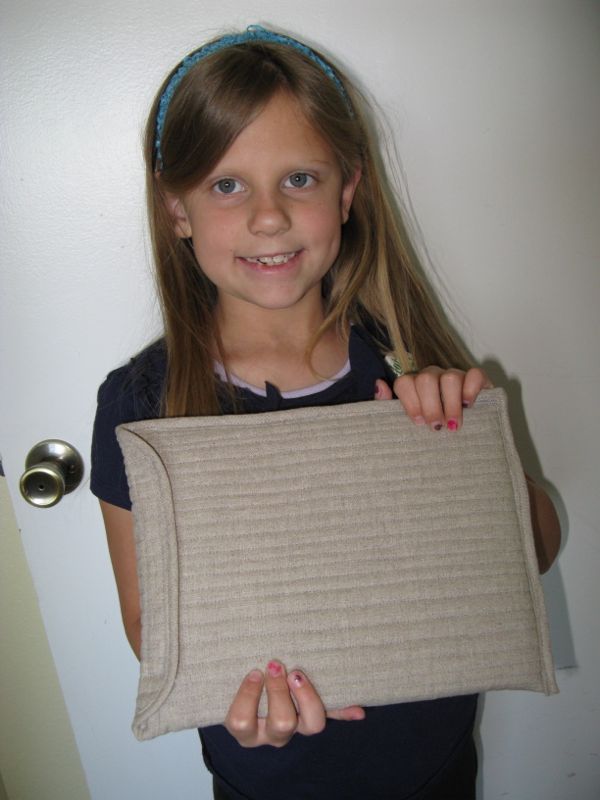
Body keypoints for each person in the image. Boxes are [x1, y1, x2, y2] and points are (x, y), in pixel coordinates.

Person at [91, 25, 561, 800]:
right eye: (227, 185)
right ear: (177, 209)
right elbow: (151, 625)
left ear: (347, 193)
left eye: (300, 179)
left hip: (437, 766)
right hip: (267, 777)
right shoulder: (143, 405)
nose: (269, 217)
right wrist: (238, 695)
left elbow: (536, 548)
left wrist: (469, 450)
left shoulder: (403, 360)